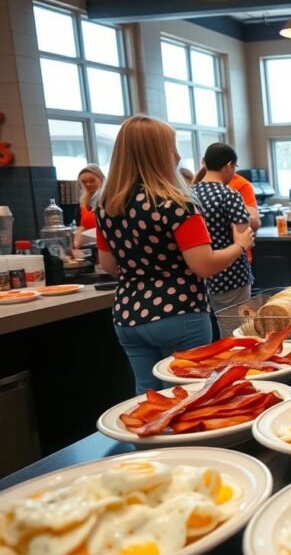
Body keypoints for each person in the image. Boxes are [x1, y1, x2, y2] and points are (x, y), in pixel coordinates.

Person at [95, 115, 255, 394]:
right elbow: (204, 265)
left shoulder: (106, 205)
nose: (179, 156)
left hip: (127, 314)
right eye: (172, 147)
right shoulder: (177, 203)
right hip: (179, 312)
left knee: (147, 394)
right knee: (191, 393)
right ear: (158, 154)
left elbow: (108, 264)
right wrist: (239, 245)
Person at [192, 142, 255, 318]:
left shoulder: (187, 193)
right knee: (234, 329)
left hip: (199, 278)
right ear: (228, 165)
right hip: (230, 277)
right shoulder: (229, 194)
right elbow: (244, 236)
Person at [73, 164, 104, 249]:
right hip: (91, 247)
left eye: (92, 180)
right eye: (84, 182)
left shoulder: (108, 199)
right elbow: (82, 226)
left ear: (101, 179)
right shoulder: (83, 204)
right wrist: (76, 243)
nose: (88, 184)